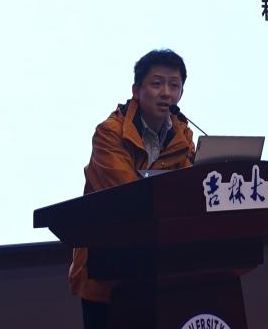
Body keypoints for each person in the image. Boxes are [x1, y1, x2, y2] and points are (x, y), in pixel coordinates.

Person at [69, 49, 197, 329]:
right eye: (157, 83)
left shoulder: (183, 136)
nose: (166, 93)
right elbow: (126, 194)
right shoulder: (109, 133)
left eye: (174, 85)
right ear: (136, 90)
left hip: (165, 268)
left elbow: (191, 192)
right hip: (108, 270)